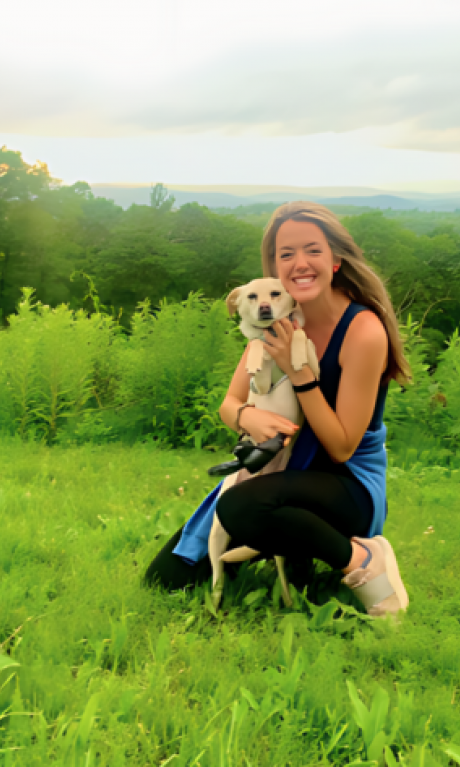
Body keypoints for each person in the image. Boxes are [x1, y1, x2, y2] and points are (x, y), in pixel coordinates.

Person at [144, 201, 412, 617]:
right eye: (286, 254)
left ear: (336, 259)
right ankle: (285, 544)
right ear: (274, 266)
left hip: (347, 482)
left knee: (239, 507)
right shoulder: (276, 317)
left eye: (312, 250)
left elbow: (341, 446)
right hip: (284, 468)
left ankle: (361, 557)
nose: (300, 263)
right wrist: (246, 417)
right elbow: (230, 403)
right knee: (166, 578)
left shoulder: (363, 330)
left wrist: (299, 372)